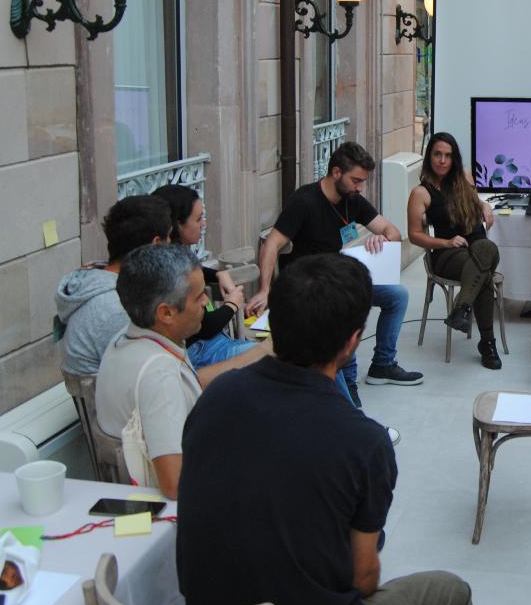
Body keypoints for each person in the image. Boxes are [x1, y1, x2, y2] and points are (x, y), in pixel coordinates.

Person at [178, 253, 474, 605]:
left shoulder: (213, 399)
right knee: (452, 598)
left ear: (274, 326)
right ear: (352, 341)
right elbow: (364, 578)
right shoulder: (364, 442)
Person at [246, 141, 422, 406]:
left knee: (397, 296)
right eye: (356, 180)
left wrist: (382, 240)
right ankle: (348, 387)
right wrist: (265, 289)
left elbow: (392, 231)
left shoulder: (352, 200)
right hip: (310, 287)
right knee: (344, 311)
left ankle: (382, 365)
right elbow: (271, 243)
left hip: (338, 278)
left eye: (363, 181)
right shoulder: (304, 201)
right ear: (336, 172)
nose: (360, 187)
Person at [95, 245, 204, 498]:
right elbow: (175, 484)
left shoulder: (123, 339)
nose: (206, 303)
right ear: (166, 313)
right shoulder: (159, 375)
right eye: (198, 298)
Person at [407, 132, 503, 369]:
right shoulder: (421, 193)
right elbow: (414, 235)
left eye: (447, 156)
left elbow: (475, 200)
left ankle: (461, 308)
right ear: (429, 156)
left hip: (478, 246)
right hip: (448, 253)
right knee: (483, 274)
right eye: (437, 154)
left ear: (454, 159)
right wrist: (446, 243)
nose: (442, 160)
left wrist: (485, 205)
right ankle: (488, 343)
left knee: (487, 250)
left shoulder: (463, 177)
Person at [56, 195, 174, 376]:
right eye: (169, 238)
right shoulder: (117, 306)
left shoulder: (98, 278)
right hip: (119, 399)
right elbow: (154, 375)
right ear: (156, 244)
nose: (172, 246)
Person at [152, 184, 260, 368]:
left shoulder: (176, 257)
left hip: (210, 346)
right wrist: (232, 304)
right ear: (177, 224)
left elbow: (199, 270)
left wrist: (220, 273)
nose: (203, 223)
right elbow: (205, 326)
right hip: (201, 350)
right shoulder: (172, 269)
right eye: (198, 218)